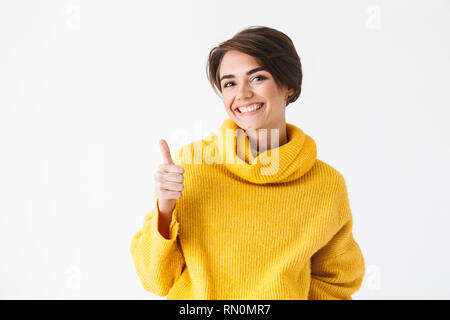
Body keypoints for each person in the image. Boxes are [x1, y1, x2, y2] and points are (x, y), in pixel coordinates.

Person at [130, 25, 365, 300]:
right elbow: (155, 280)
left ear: (288, 85)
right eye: (229, 83)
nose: (241, 94)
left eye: (257, 78)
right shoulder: (190, 166)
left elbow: (336, 284)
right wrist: (165, 210)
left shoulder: (325, 185)